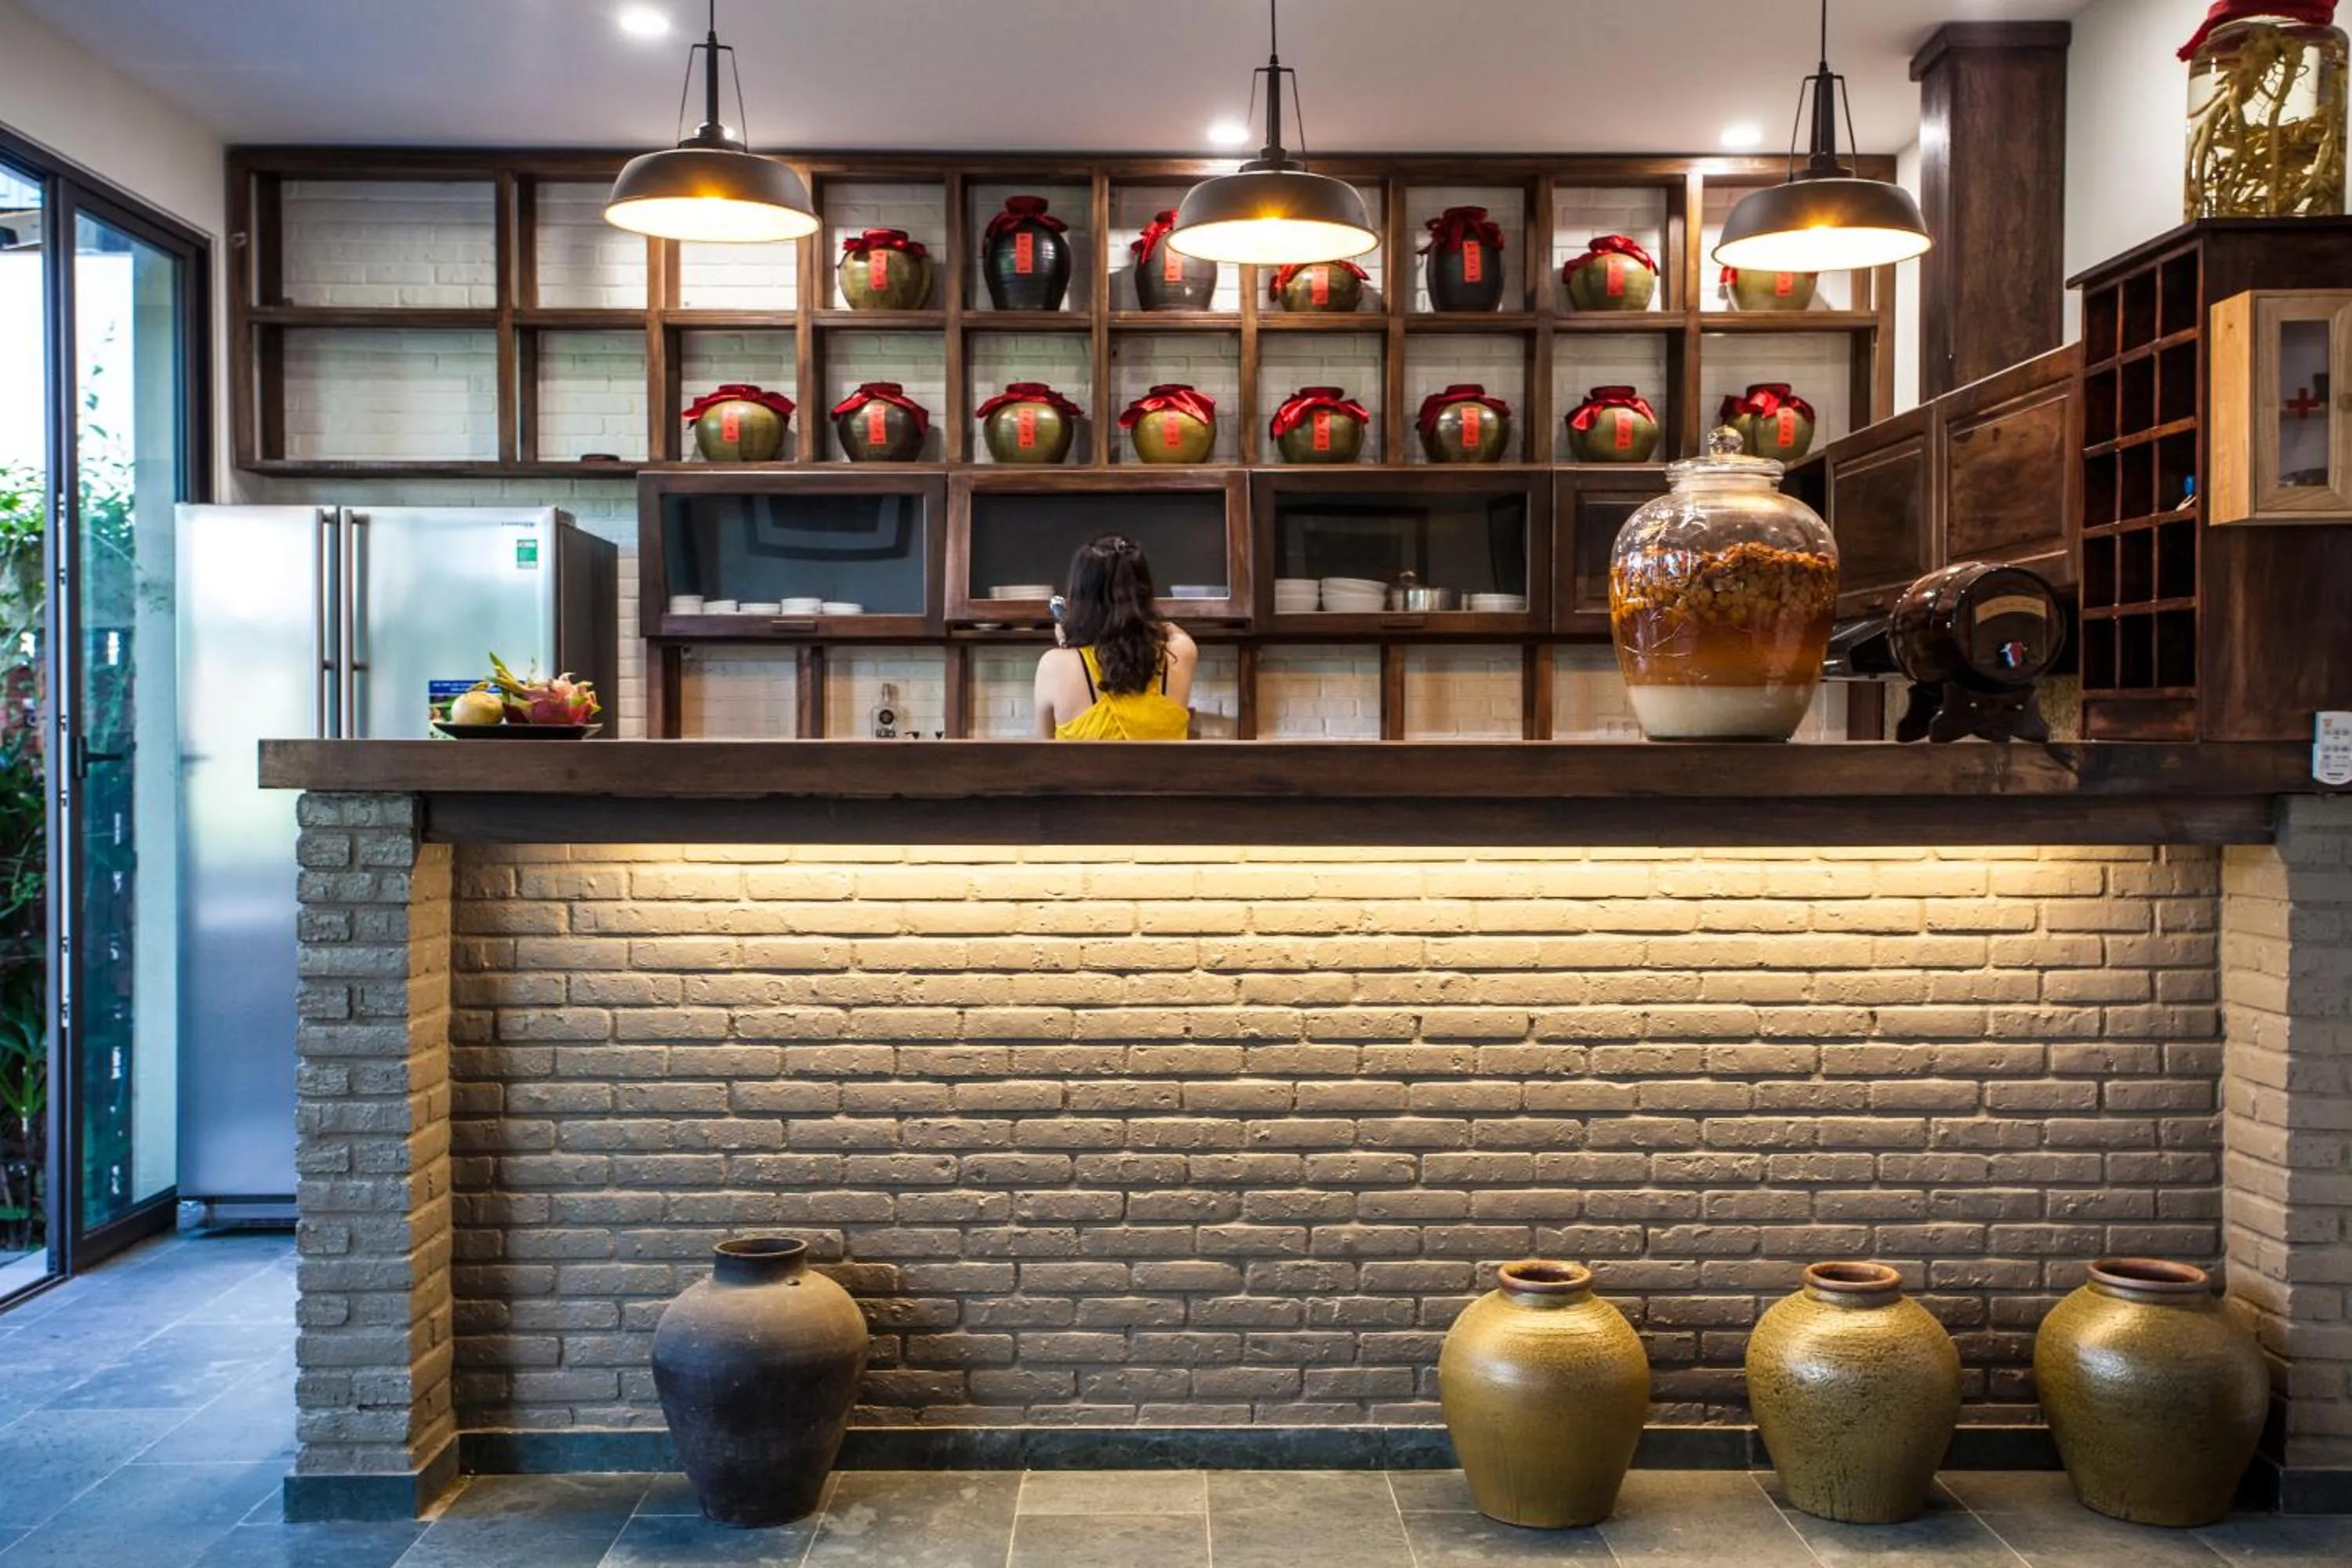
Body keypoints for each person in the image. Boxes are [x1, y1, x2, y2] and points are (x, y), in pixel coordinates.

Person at [1033, 534, 1196, 740]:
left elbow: (1040, 755)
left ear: (1080, 595)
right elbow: (1170, 629)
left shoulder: (1055, 665)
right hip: (1162, 773)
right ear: (1144, 594)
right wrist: (1145, 621)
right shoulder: (1182, 652)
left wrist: (1071, 632)